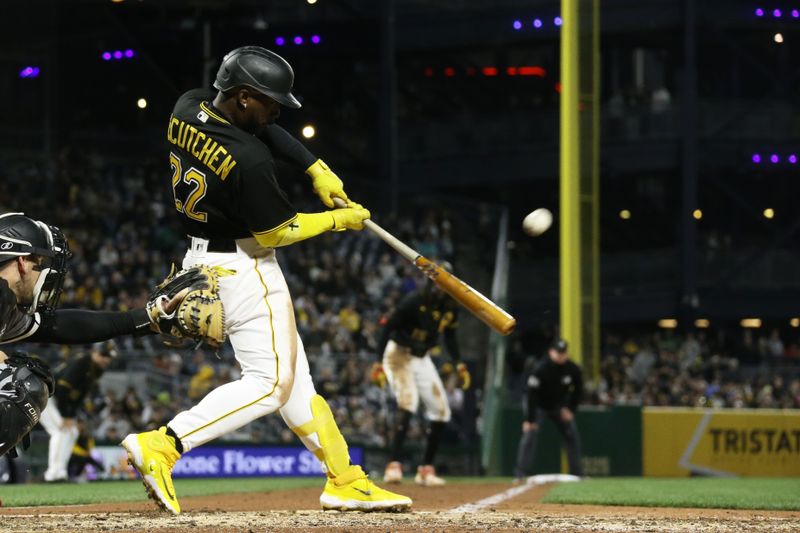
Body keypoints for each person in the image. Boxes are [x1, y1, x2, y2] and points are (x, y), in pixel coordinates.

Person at [121, 45, 411, 515]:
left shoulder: (188, 105)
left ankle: (343, 479)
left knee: (295, 379)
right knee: (270, 383)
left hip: (202, 258)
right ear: (240, 97)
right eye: (268, 101)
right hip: (246, 267)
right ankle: (164, 444)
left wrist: (314, 167)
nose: (276, 110)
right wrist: (340, 221)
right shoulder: (249, 159)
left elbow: (267, 130)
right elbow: (280, 230)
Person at [0, 212, 185, 459]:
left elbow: (61, 326)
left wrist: (144, 318)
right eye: (39, 264)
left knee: (18, 382)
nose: (42, 274)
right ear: (22, 262)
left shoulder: (7, 305)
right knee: (20, 386)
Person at [376, 272, 470, 486]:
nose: (440, 289)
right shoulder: (414, 300)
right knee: (408, 403)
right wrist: (377, 363)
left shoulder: (450, 307)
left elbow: (450, 337)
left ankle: (426, 469)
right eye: (438, 284)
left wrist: (459, 363)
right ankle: (393, 465)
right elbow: (388, 327)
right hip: (398, 353)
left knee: (441, 411)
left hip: (422, 357)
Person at [39, 342, 116, 482]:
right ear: (94, 352)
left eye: (109, 357)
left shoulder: (96, 368)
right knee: (59, 430)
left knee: (72, 432)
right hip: (45, 395)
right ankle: (51, 475)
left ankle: (60, 472)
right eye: (103, 355)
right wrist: (66, 415)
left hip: (58, 399)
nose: (106, 359)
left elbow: (79, 396)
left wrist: (72, 415)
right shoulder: (82, 362)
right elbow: (62, 389)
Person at [513, 338, 584, 482]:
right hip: (539, 406)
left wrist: (570, 409)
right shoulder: (540, 368)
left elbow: (579, 391)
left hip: (559, 407)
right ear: (551, 352)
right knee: (530, 434)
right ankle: (520, 474)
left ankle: (577, 473)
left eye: (563, 352)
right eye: (558, 352)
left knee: (572, 435)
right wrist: (530, 420)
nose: (560, 355)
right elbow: (531, 395)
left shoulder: (572, 369)